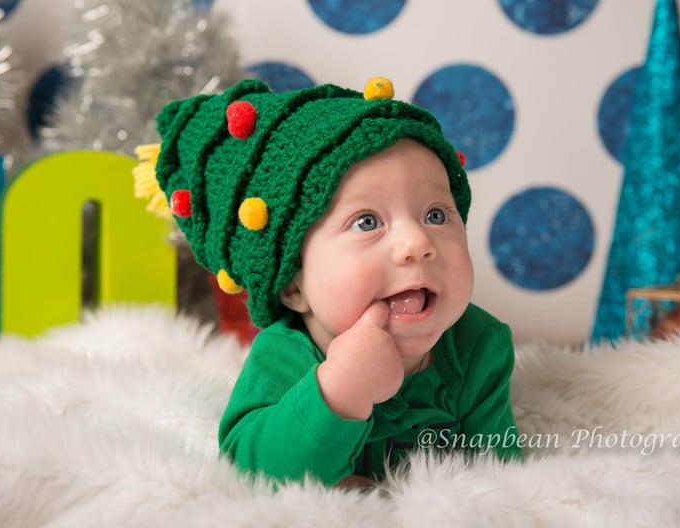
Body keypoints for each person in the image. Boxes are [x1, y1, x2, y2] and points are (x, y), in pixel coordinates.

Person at [135, 77, 521, 487]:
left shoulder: (479, 345)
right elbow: (247, 471)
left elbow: (501, 478)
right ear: (292, 287)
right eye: (367, 222)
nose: (417, 242)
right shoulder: (283, 358)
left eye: (437, 215)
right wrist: (339, 391)